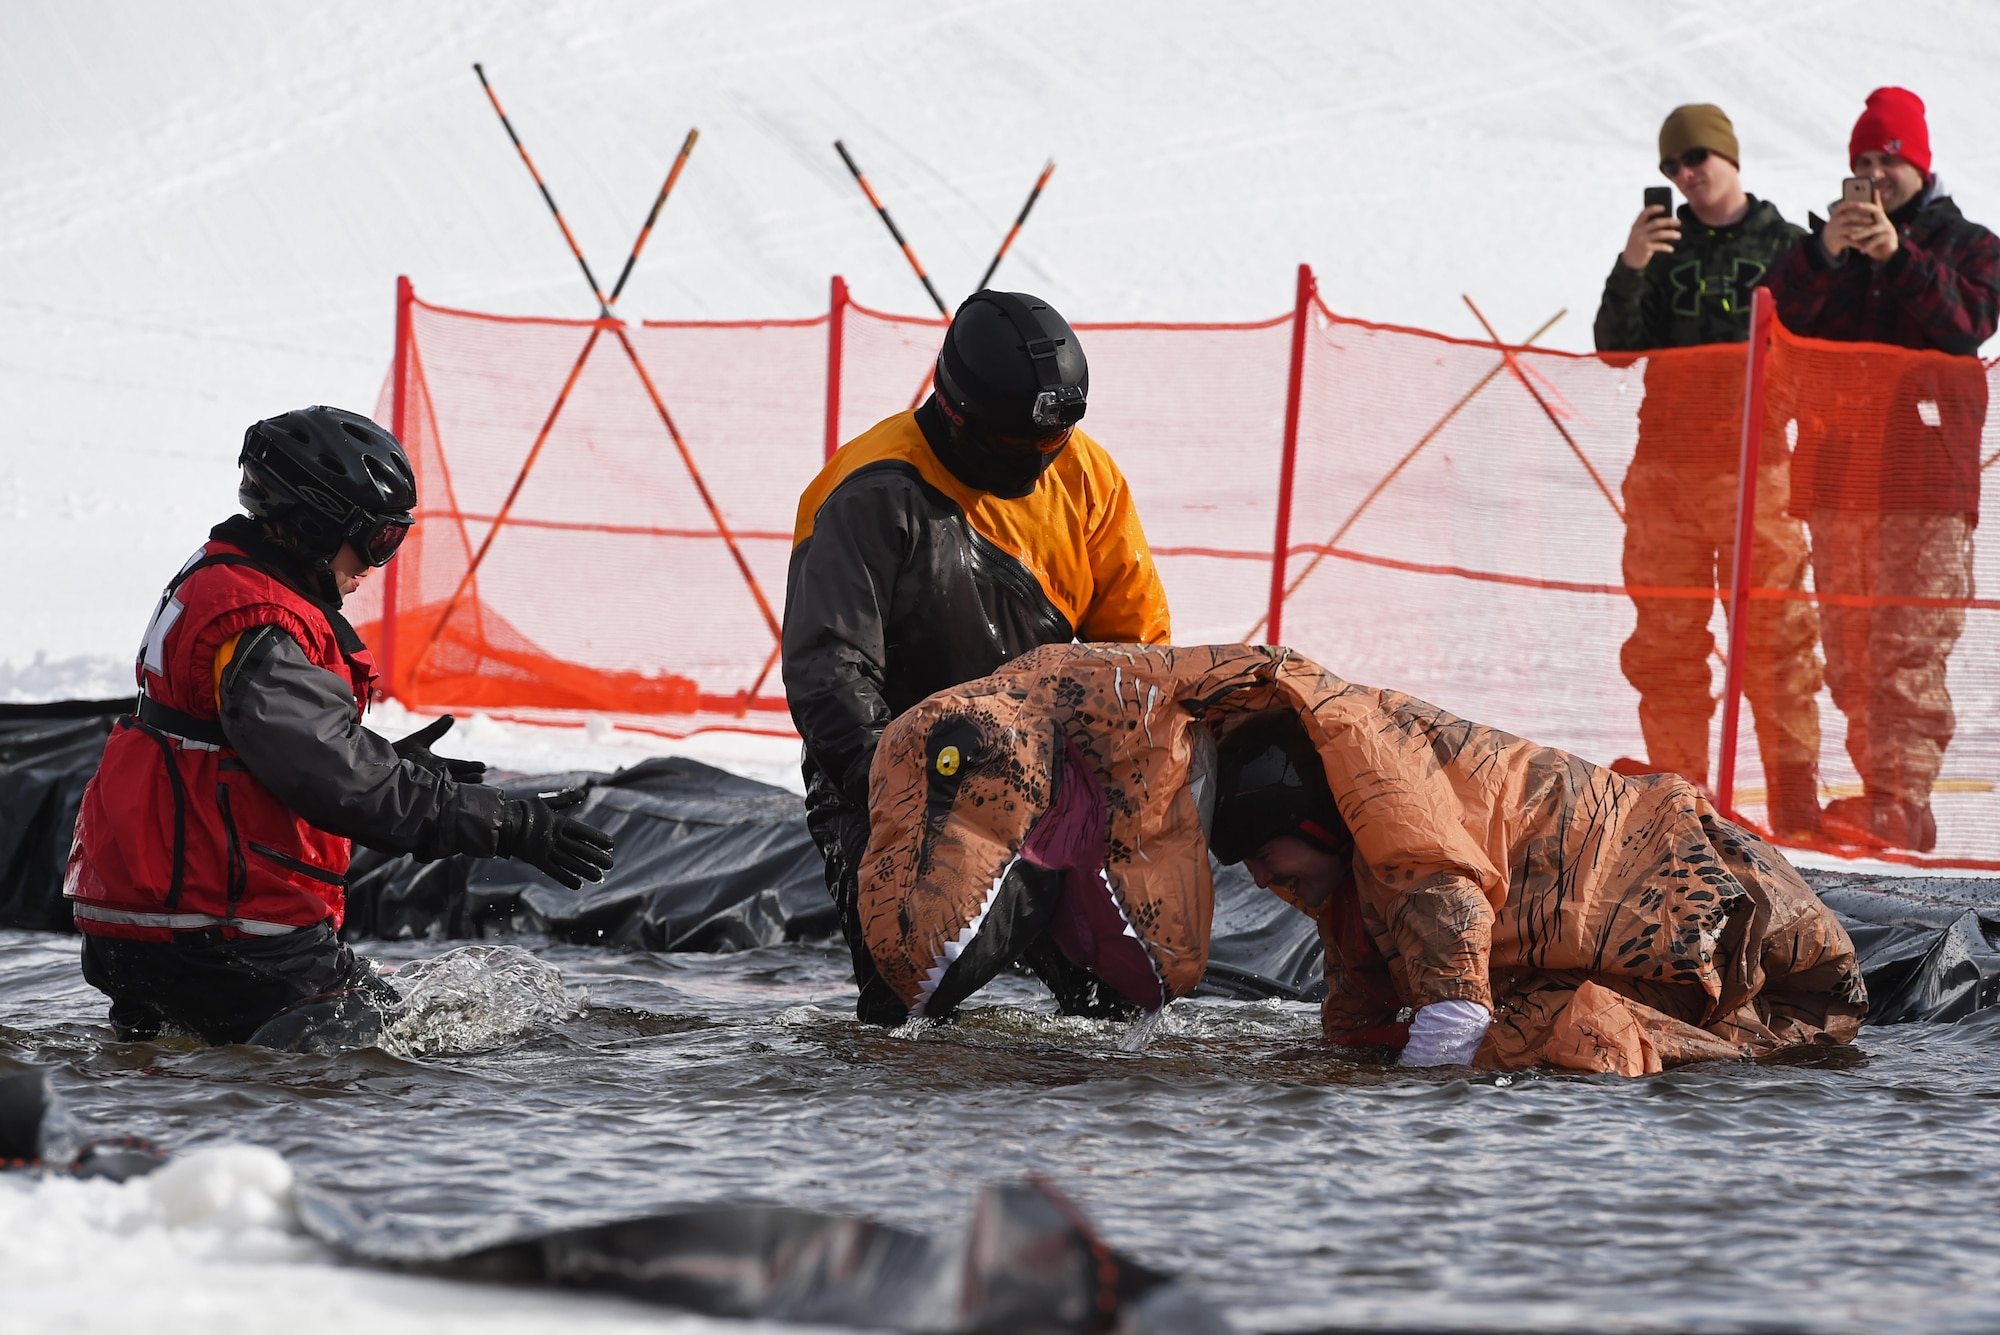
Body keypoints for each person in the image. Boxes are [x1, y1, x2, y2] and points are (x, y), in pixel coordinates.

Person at [856, 643, 1865, 1074]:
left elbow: (1439, 894)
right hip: (1695, 935)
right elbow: (1359, 1001)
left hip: (1723, 915)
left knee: (1563, 1035)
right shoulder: (1345, 892)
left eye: (1271, 853)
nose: (1260, 879)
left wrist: (1438, 1051)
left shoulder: (1378, 783)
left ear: (1326, 827)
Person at [65, 406, 617, 1045]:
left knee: (231, 1055)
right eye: (377, 540)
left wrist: (387, 759)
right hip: (227, 933)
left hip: (148, 927)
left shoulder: (220, 583)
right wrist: (504, 824)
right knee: (384, 1058)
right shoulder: (259, 621)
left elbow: (258, 748)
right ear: (314, 523)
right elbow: (332, 778)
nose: (374, 566)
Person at [782, 290, 1170, 1024]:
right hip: (889, 775)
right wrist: (894, 787)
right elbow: (829, 670)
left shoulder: (1087, 476)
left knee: (1123, 1010)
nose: (1037, 467)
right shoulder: (867, 492)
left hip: (1045, 773)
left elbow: (1137, 651)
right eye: (1017, 451)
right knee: (908, 1008)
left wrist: (1123, 778)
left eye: (1048, 449)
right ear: (955, 413)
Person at [1765, 87, 2000, 853]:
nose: (1874, 174)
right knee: (1851, 647)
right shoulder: (1828, 251)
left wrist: (1898, 258)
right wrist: (1825, 253)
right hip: (1836, 477)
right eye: (1862, 161)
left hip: (1923, 484)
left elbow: (1966, 324)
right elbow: (1776, 315)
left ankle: (1903, 802)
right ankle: (1879, 798)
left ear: (1917, 165)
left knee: (1908, 642)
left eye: (1887, 159)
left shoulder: (1969, 244)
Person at [1593, 103, 1823, 837]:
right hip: (1665, 469)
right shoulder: (1662, 247)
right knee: (1665, 640)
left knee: (1777, 636)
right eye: (1672, 166)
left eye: (1697, 158)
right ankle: (1678, 796)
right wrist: (1631, 266)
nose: (1686, 176)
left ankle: (1795, 802)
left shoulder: (1789, 246)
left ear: (1729, 155)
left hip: (1758, 470)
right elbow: (1615, 347)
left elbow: (1823, 349)